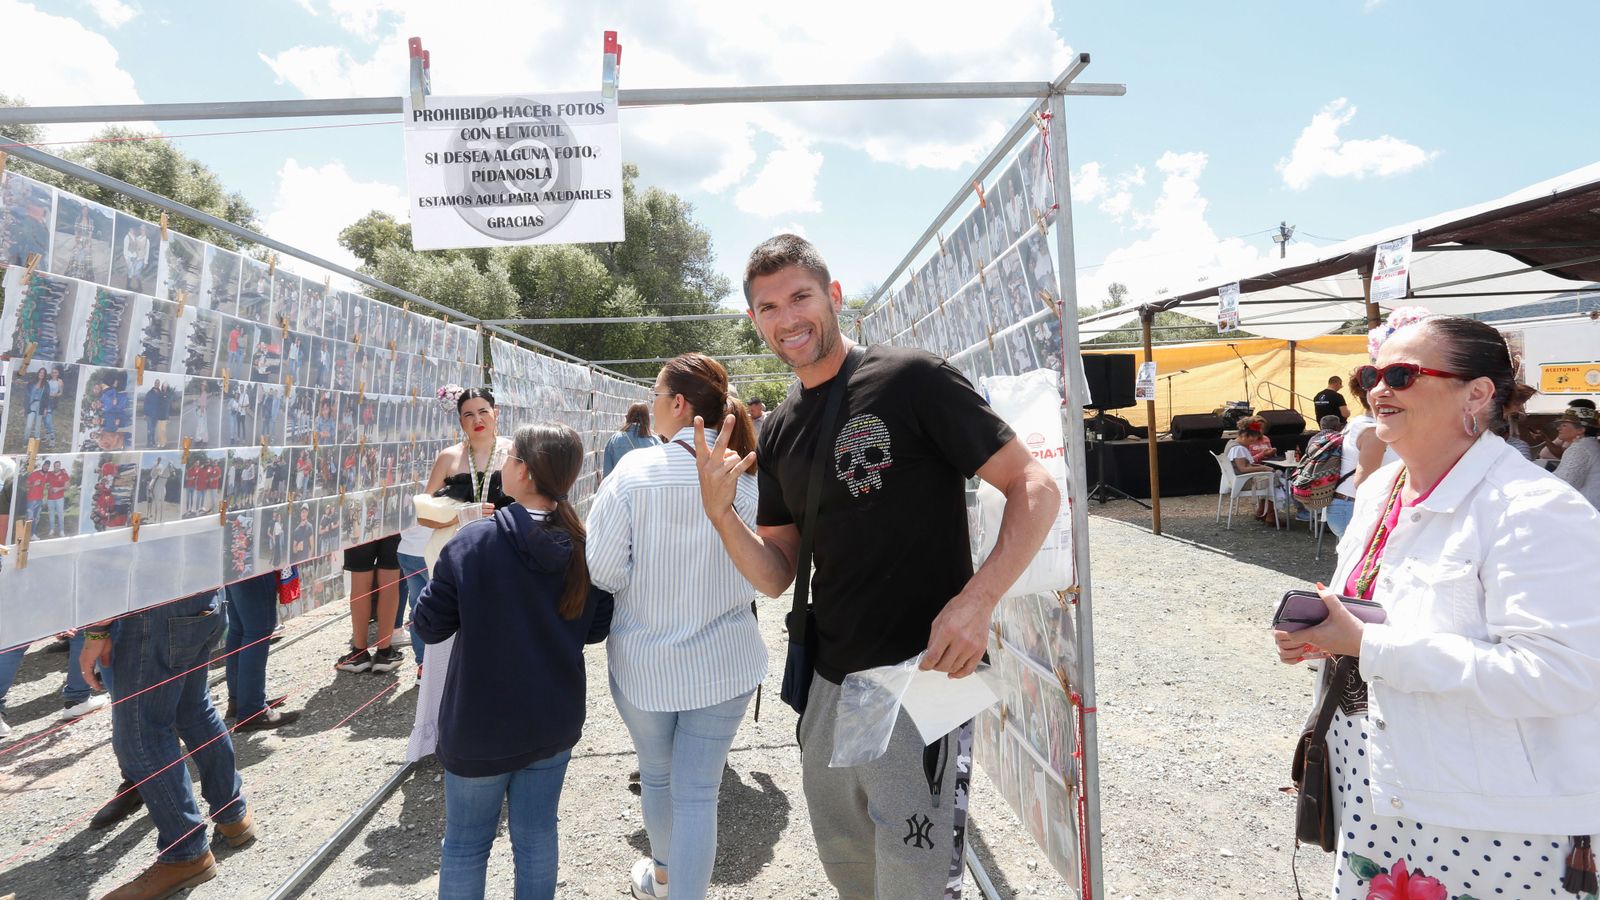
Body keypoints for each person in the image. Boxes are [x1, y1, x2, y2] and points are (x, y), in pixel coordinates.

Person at [694, 234, 1059, 899]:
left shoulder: (911, 378)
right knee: (854, 870)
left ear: (834, 297)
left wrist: (979, 602)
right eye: (769, 306)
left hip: (922, 673)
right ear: (754, 321)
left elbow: (1034, 486)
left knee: (915, 881)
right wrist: (722, 517)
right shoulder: (778, 430)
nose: (788, 318)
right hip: (831, 684)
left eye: (800, 296)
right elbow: (776, 573)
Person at [1272, 314, 1600, 899]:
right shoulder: (1381, 490)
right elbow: (1376, 614)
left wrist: (1369, 645)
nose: (1378, 389)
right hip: (1377, 786)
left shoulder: (1532, 508)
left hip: (1487, 817)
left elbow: (1562, 673)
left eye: (1401, 374)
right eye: (1370, 374)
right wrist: (1325, 632)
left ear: (1477, 393)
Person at [587, 354, 767, 900]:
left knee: (659, 777)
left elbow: (603, 570)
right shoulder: (749, 482)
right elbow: (763, 570)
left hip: (645, 663)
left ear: (679, 404)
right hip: (725, 662)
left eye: (657, 394)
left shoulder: (633, 474)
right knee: (698, 794)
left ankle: (665, 878)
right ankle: (673, 884)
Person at [412, 423, 613, 900]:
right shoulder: (582, 545)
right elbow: (597, 628)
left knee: (465, 845)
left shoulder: (474, 542)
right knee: (538, 836)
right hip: (552, 721)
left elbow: (429, 626)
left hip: (479, 726)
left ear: (522, 470)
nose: (502, 459)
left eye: (510, 455)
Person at [80, 589, 257, 898]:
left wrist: (96, 631)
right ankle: (232, 813)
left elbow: (114, 556)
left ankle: (186, 853)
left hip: (150, 605)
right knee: (192, 708)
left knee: (141, 736)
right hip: (200, 593)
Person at [1325, 367, 1401, 539]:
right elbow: (1364, 481)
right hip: (1353, 507)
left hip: (1343, 505)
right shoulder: (1373, 431)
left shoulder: (1356, 422)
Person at [223, 571, 300, 730]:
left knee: (239, 628)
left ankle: (241, 700)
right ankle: (252, 709)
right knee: (257, 630)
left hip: (231, 559)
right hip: (251, 560)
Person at [337, 536, 406, 674]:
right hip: (394, 521)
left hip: (360, 523)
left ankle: (359, 653)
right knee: (390, 579)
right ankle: (384, 652)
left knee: (360, 581)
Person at [1224, 426, 1278, 526]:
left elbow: (1245, 465)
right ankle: (1270, 514)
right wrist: (1263, 468)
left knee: (1274, 476)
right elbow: (1243, 469)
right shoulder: (1238, 448)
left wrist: (1260, 466)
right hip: (1244, 482)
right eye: (1251, 440)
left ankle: (1262, 510)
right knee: (1277, 479)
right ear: (1244, 435)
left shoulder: (1231, 443)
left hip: (1235, 480)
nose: (1251, 444)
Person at [1551, 405, 1600, 509]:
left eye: (1564, 425)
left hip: (1588, 510)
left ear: (1580, 430)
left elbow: (1564, 485)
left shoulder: (1579, 449)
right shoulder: (1591, 444)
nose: (1558, 428)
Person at [601, 402, 658, 479]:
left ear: (627, 417)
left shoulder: (615, 440)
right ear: (647, 420)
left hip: (621, 488)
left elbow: (607, 475)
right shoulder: (656, 441)